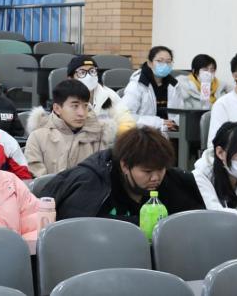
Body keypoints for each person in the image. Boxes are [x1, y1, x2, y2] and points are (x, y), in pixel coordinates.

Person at [39, 126, 205, 223]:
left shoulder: (171, 180)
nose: (156, 178)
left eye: (161, 169)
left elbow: (196, 217)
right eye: (147, 171)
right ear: (125, 165)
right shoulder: (92, 183)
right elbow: (78, 226)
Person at [25, 79, 118, 177]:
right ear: (57, 108)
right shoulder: (37, 137)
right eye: (75, 106)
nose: (81, 113)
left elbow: (104, 176)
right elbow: (38, 181)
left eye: (85, 106)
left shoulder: (99, 135)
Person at [122, 46, 178, 132]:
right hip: (143, 133)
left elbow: (180, 113)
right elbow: (125, 116)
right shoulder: (137, 84)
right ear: (150, 63)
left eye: (168, 62)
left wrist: (174, 123)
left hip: (171, 133)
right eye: (160, 61)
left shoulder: (174, 85)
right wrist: (158, 123)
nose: (165, 65)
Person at [67, 55, 134, 126]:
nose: (88, 76)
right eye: (82, 72)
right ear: (70, 78)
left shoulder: (108, 94)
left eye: (92, 71)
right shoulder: (65, 97)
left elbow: (125, 118)